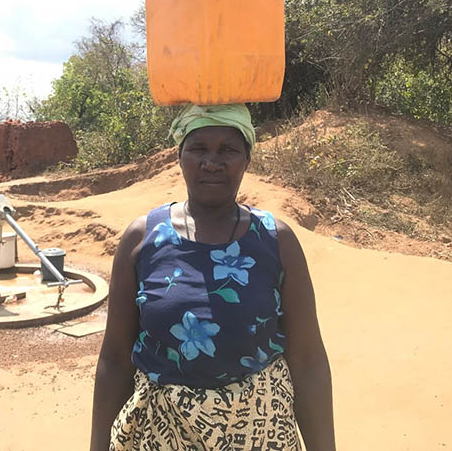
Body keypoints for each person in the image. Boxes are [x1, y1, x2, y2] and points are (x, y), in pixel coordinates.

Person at [90, 104, 335, 451]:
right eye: (198, 148)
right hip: (161, 433)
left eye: (228, 150)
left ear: (247, 160)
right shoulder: (142, 238)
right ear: (179, 156)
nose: (211, 162)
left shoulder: (276, 240)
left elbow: (308, 360)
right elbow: (114, 359)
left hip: (259, 433)